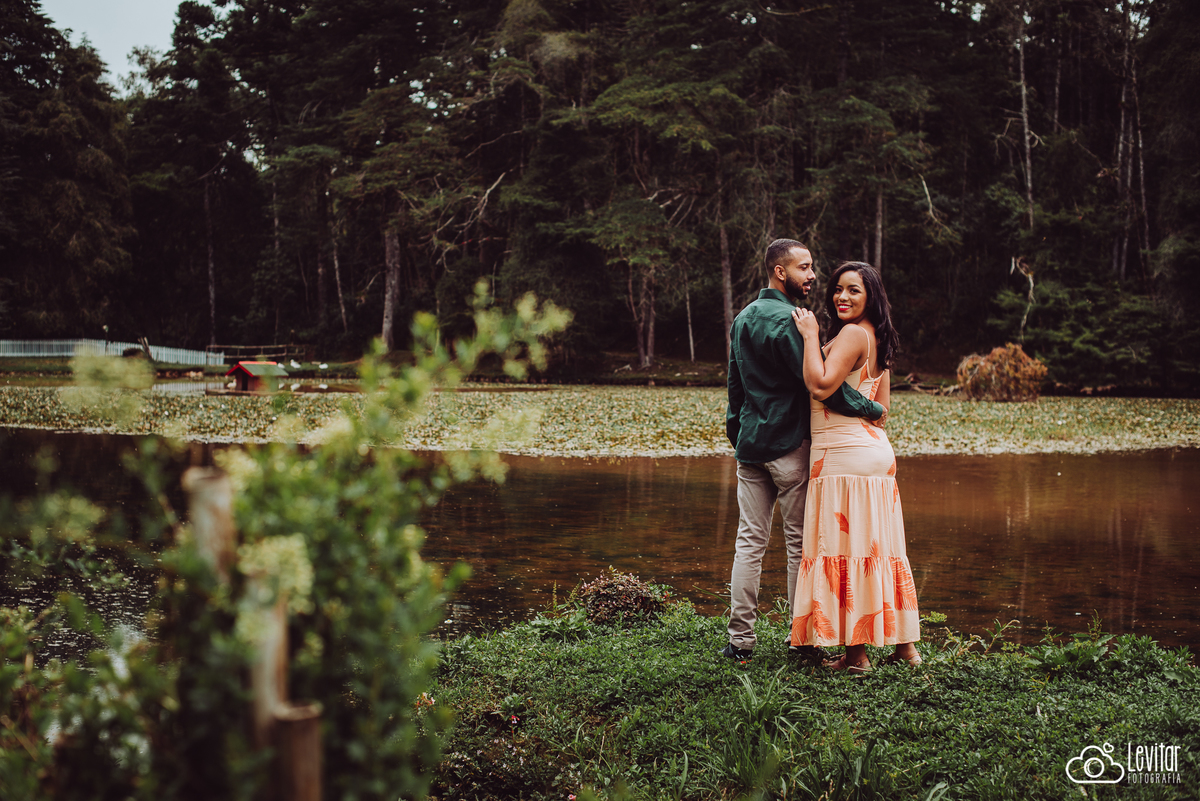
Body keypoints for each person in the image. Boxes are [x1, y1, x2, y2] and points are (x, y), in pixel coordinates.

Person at [722, 240, 885, 662]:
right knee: (800, 546)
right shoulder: (794, 321)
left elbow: (734, 389)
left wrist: (737, 433)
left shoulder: (742, 319)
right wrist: (872, 407)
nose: (813, 276)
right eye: (804, 267)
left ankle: (740, 642)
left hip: (750, 446)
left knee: (749, 543)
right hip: (790, 445)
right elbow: (823, 388)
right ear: (781, 272)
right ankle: (802, 642)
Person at [789, 261, 920, 673]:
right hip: (874, 455)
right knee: (880, 551)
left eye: (854, 291)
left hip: (843, 457)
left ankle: (858, 657)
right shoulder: (877, 337)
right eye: (838, 289)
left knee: (848, 550)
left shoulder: (851, 334)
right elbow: (882, 410)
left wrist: (810, 336)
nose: (842, 297)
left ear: (871, 298)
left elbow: (821, 385)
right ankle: (905, 650)